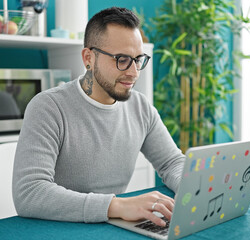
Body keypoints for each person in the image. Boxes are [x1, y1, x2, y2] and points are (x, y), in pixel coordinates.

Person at [12, 7, 185, 227]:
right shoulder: (48, 107)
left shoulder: (140, 107)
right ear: (88, 58)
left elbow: (172, 163)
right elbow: (29, 193)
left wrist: (193, 190)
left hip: (110, 227)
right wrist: (118, 206)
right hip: (58, 229)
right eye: (122, 59)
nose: (133, 72)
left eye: (138, 59)